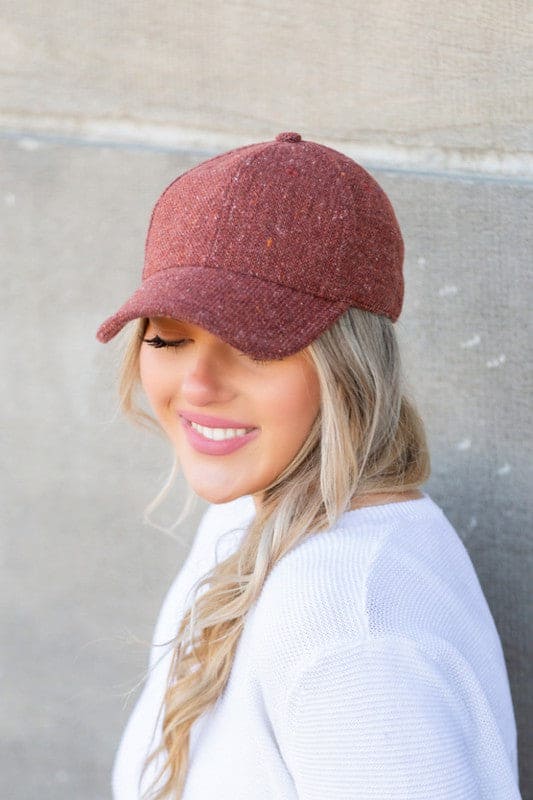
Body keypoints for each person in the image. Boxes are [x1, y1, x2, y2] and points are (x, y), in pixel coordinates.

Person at [96, 132, 521, 800]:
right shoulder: (251, 508)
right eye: (168, 338)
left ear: (349, 366)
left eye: (254, 346)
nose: (198, 385)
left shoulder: (353, 636)